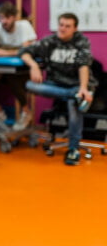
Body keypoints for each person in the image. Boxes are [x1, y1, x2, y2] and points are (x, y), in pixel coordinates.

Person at [19, 13, 97, 166]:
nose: (63, 29)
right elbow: (24, 52)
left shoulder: (81, 41)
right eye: (61, 25)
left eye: (67, 26)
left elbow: (83, 66)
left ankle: (73, 149)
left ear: (75, 29)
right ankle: (73, 95)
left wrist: (82, 88)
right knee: (29, 85)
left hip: (78, 84)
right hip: (56, 85)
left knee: (73, 104)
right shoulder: (50, 41)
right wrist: (33, 66)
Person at [0, 1, 37, 130]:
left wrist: (4, 52)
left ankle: (26, 112)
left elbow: (26, 50)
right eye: (1, 17)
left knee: (13, 77)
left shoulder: (24, 26)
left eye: (7, 18)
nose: (3, 21)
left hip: (24, 67)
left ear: (14, 17)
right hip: (4, 67)